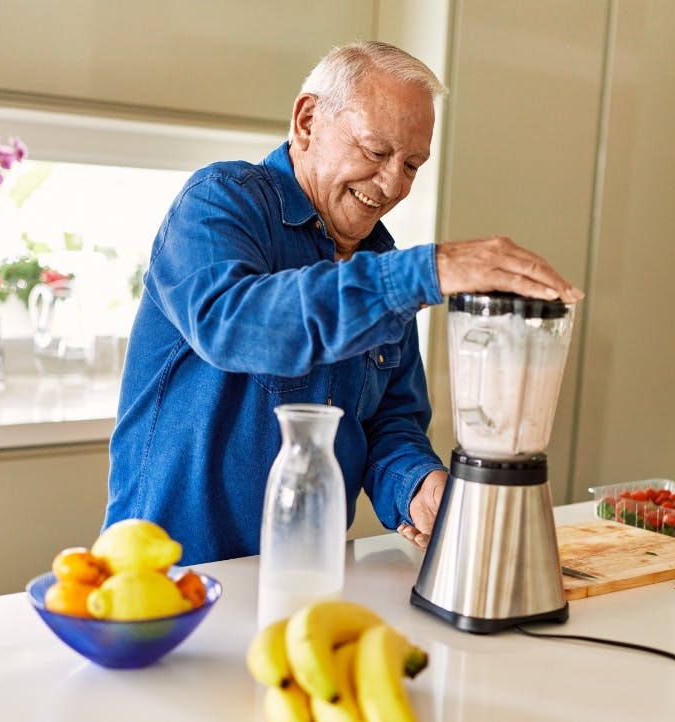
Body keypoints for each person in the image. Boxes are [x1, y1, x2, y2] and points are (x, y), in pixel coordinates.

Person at [103, 40, 583, 565]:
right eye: (376, 152)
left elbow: (389, 422)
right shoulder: (221, 200)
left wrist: (418, 485)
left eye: (413, 164)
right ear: (307, 121)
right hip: (169, 580)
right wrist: (426, 271)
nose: (393, 183)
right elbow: (236, 324)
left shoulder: (382, 260)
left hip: (310, 573)